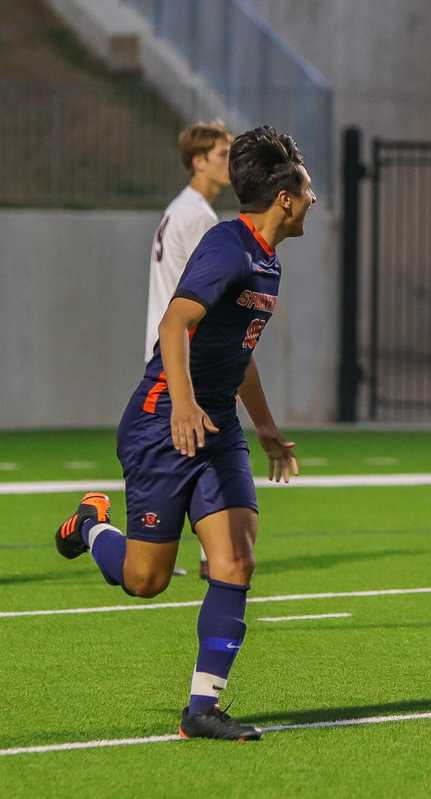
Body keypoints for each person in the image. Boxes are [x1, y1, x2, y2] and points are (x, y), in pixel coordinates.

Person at [53, 126, 314, 740]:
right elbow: (175, 326)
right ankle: (91, 523)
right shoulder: (228, 246)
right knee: (145, 580)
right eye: (307, 187)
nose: (313, 198)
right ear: (284, 198)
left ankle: (202, 710)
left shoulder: (267, 259)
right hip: (162, 423)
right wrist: (182, 406)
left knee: (236, 558)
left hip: (214, 425)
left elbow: (237, 353)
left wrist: (269, 429)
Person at [147, 121, 234, 579]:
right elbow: (204, 299)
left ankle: (203, 552)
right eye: (223, 154)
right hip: (183, 353)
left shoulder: (182, 209)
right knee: (196, 447)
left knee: (189, 450)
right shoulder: (198, 216)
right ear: (199, 161)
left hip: (168, 350)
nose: (230, 162)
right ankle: (198, 552)